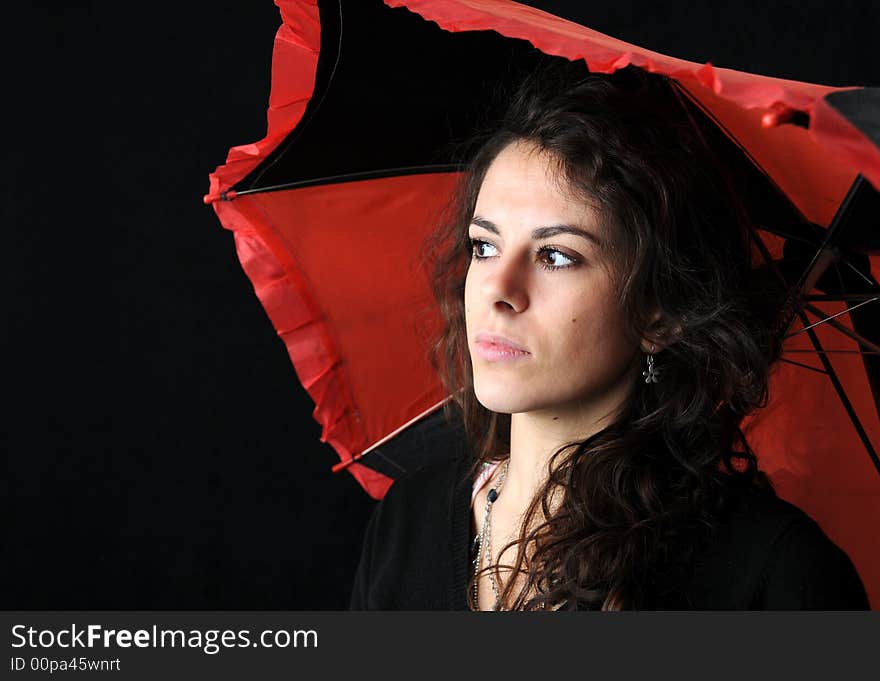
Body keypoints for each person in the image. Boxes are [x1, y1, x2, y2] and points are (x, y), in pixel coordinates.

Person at [348, 62, 870, 611]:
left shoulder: (772, 574)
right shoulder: (409, 519)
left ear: (659, 316)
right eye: (484, 246)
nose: (497, 290)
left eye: (556, 256)